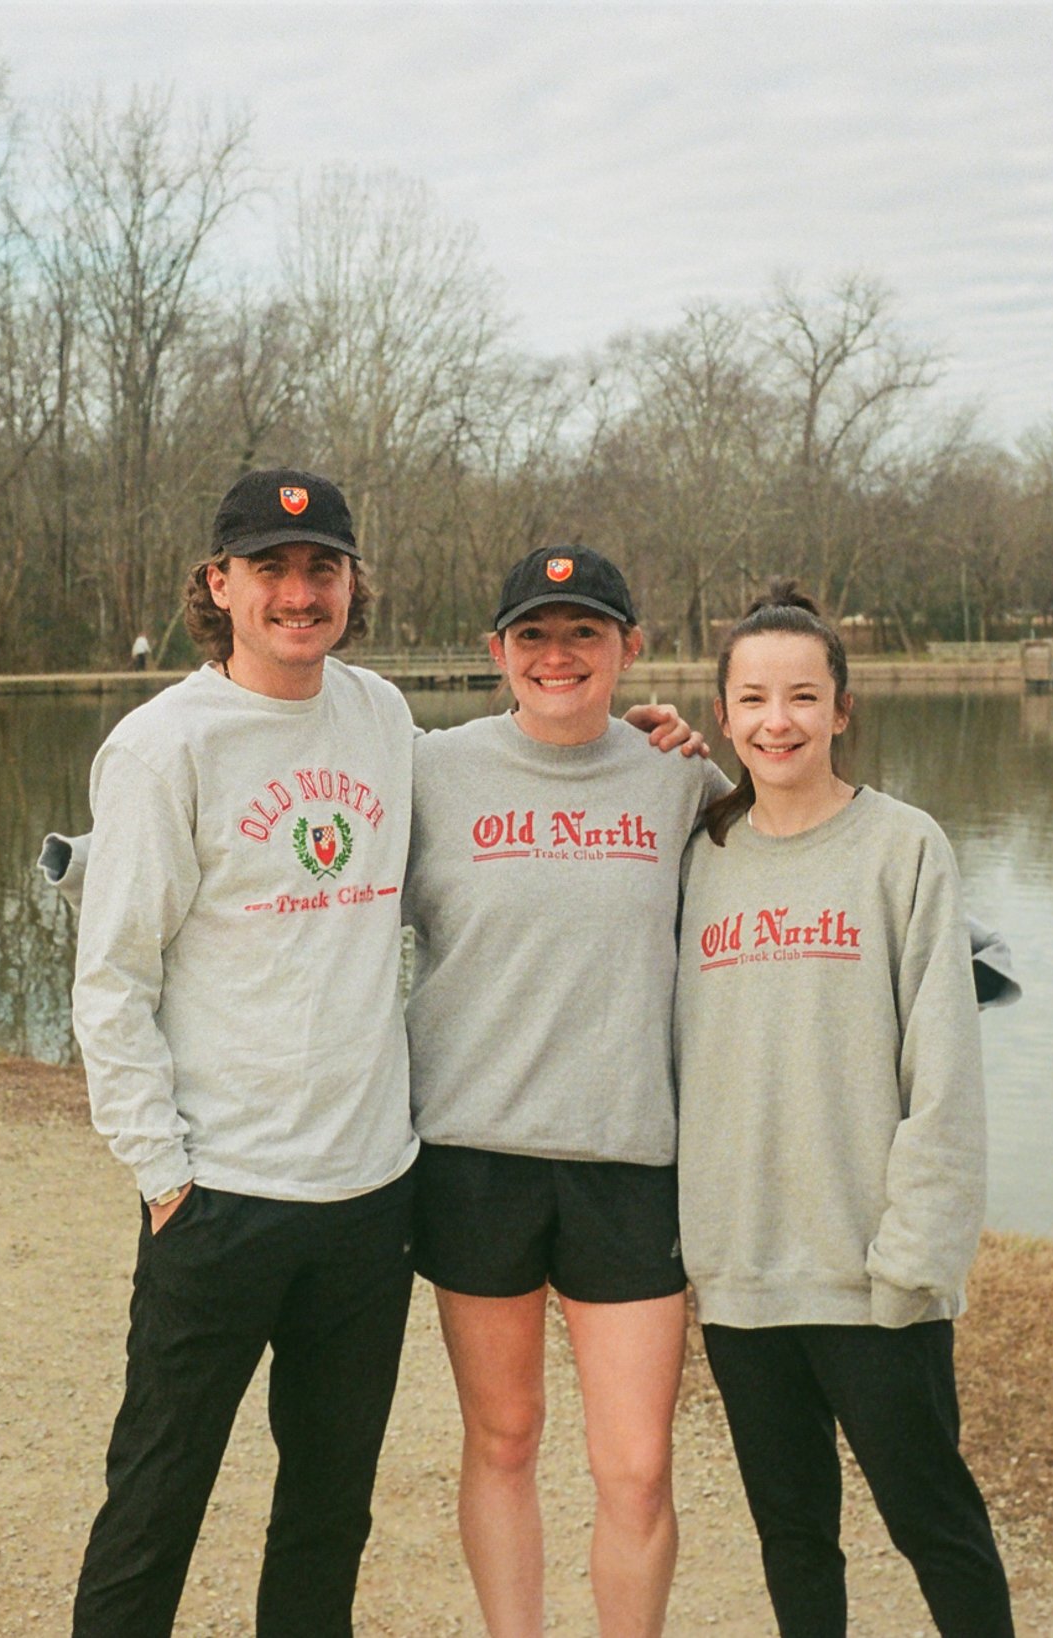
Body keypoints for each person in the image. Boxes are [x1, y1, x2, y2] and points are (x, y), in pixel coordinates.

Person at [67, 467, 421, 1637]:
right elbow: (112, 980)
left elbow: (509, 794)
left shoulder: (382, 718)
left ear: (351, 584)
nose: (297, 591)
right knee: (156, 1501)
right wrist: (163, 1175)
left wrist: (636, 741)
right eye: (269, 568)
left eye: (321, 566)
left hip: (366, 1198)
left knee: (328, 1513)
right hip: (219, 1197)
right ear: (219, 584)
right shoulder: (162, 745)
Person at [673, 583, 1017, 1638]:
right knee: (792, 1537)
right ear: (722, 715)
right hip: (740, 1275)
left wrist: (916, 1255)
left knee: (935, 1525)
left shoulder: (901, 848)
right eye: (753, 699)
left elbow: (945, 1077)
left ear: (840, 709)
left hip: (873, 1275)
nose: (777, 721)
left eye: (801, 697)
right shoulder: (695, 856)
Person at [401, 545, 729, 1638]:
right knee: (502, 1437)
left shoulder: (677, 777)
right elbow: (303, 880)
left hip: (630, 1161)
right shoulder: (430, 771)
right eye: (532, 635)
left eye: (582, 633)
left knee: (634, 1469)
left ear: (628, 650)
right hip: (472, 1157)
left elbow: (802, 853)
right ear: (496, 652)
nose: (556, 656)